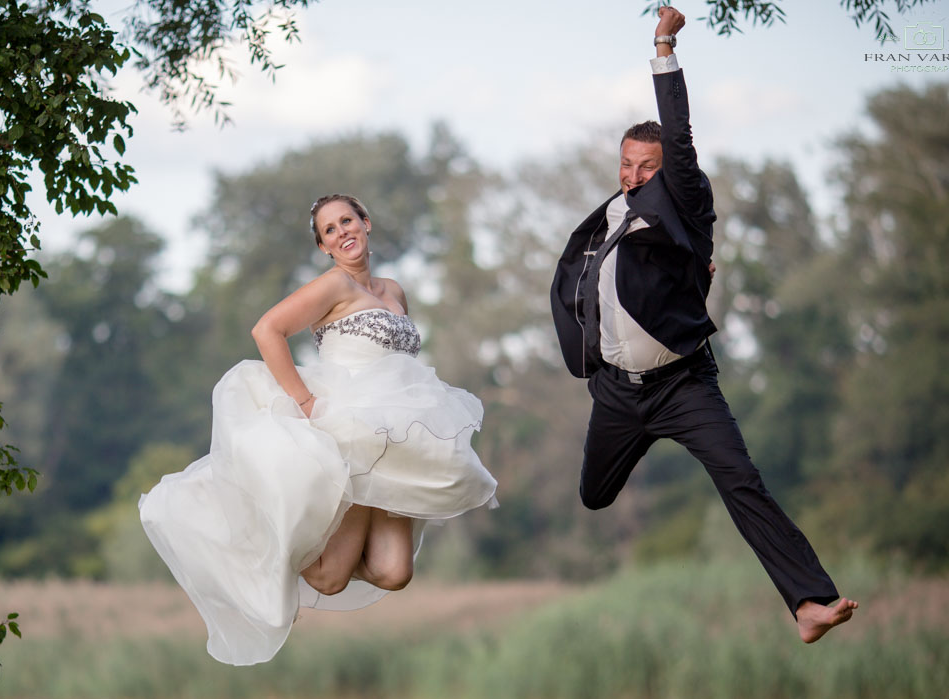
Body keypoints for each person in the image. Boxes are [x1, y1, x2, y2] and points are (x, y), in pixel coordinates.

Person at [549, 7, 856, 643]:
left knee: (741, 479)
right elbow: (588, 286)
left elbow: (681, 140)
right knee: (594, 497)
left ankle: (808, 604)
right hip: (616, 390)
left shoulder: (683, 202)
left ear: (669, 174)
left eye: (647, 168)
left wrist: (663, 45)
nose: (634, 176)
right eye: (627, 164)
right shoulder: (609, 214)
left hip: (683, 384)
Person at [140, 194, 497, 665]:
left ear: (366, 223)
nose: (342, 232)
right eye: (329, 230)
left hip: (397, 438)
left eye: (347, 221)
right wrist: (304, 401)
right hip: (347, 431)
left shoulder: (394, 291)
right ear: (325, 247)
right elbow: (267, 329)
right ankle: (267, 548)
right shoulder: (333, 286)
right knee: (328, 579)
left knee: (394, 574)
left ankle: (313, 535)